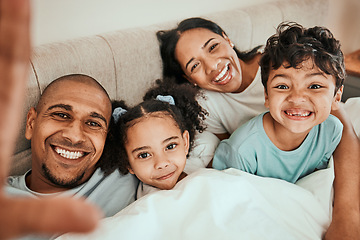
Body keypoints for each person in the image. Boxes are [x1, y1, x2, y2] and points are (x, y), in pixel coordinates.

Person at [157, 17, 360, 239]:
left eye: (213, 47)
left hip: (307, 146)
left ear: (227, 38)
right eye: (194, 65)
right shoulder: (208, 108)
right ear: (189, 78)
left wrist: (347, 213)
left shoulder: (280, 59)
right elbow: (228, 173)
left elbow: (339, 124)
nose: (213, 65)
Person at [213, 23, 344, 183]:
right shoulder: (241, 150)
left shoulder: (332, 130)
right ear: (267, 96)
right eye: (282, 86)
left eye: (314, 86)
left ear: (337, 97)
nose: (296, 98)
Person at [110, 82, 206, 198]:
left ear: (185, 143)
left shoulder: (200, 166)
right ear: (127, 163)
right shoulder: (148, 205)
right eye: (144, 155)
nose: (161, 163)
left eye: (170, 146)